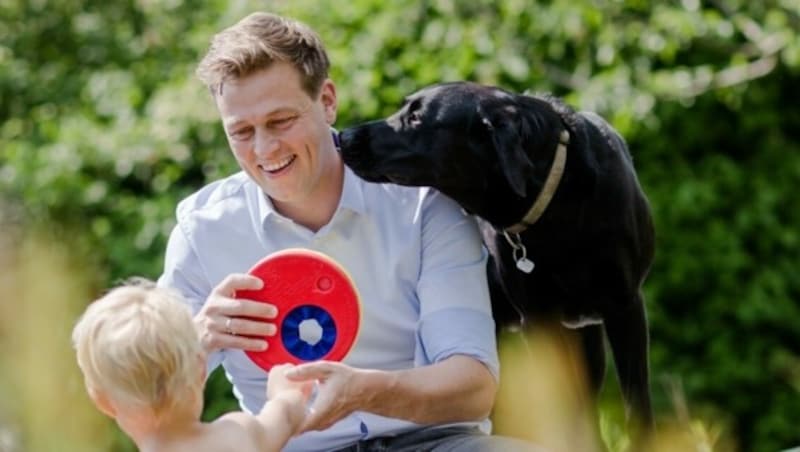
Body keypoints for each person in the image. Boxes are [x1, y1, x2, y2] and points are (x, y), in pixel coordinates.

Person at [158, 11, 541, 452]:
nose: (264, 149)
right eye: (241, 132)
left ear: (327, 101)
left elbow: (473, 389)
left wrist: (364, 391)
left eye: (281, 121)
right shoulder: (202, 232)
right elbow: (153, 409)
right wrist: (198, 342)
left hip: (434, 442)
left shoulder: (422, 204)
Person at [71, 278, 313, 452]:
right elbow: (286, 416)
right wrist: (287, 393)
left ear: (103, 402)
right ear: (200, 368)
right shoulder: (236, 436)